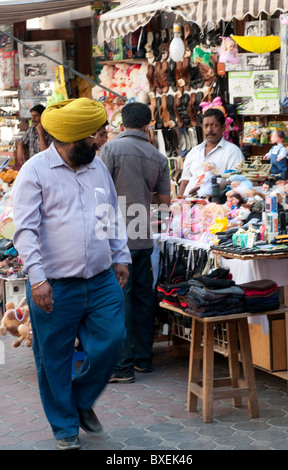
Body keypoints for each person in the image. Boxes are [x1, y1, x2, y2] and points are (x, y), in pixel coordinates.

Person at [11, 98, 132, 450]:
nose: (96, 142)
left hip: (100, 278)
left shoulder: (96, 167)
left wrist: (120, 255)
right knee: (54, 359)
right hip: (54, 286)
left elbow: (110, 213)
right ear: (66, 140)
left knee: (112, 340)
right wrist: (36, 279)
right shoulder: (34, 171)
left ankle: (79, 400)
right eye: (90, 138)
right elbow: (26, 231)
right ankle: (65, 427)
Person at [99, 102, 171, 383]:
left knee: (120, 300)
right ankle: (143, 360)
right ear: (147, 125)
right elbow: (165, 205)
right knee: (142, 297)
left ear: (122, 124)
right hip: (142, 236)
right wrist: (143, 195)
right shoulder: (157, 157)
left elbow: (99, 193)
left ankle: (122, 366)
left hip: (115, 239)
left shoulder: (110, 150)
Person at [178, 108, 244, 197]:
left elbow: (236, 180)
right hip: (189, 203)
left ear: (223, 127)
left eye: (214, 125)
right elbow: (185, 181)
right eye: (206, 126)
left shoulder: (232, 151)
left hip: (216, 204)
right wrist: (179, 201)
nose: (209, 130)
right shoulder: (194, 151)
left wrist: (209, 189)